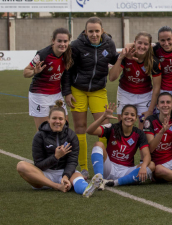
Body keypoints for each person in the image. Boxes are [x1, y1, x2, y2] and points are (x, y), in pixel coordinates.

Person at [62, 17, 119, 179]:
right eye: (90, 31)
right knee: (80, 128)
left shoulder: (109, 44)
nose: (94, 34)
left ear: (102, 31)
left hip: (98, 90)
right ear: (85, 31)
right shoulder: (76, 46)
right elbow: (67, 71)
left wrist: (125, 56)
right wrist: (67, 92)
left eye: (97, 31)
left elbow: (114, 59)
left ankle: (105, 165)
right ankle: (84, 168)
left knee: (105, 127)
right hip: (77, 90)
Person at [16, 101, 102, 198]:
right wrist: (56, 156)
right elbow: (39, 164)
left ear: (65, 120)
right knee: (21, 166)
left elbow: (72, 161)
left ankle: (86, 189)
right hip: (45, 174)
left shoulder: (71, 135)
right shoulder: (39, 136)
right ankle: (56, 186)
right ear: (48, 119)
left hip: (64, 172)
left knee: (78, 178)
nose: (57, 121)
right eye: (54, 118)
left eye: (60, 119)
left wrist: (65, 176)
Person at [86, 103, 155, 187]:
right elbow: (90, 131)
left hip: (126, 171)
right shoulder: (112, 127)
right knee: (98, 144)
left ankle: (114, 183)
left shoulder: (139, 134)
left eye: (132, 115)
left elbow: (146, 155)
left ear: (136, 118)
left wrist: (143, 166)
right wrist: (103, 117)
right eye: (126, 114)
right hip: (109, 167)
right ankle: (98, 178)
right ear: (121, 116)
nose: (129, 117)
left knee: (151, 165)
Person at [109, 32, 161, 129]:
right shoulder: (127, 56)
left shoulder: (153, 61)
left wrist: (150, 110)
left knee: (145, 127)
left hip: (145, 95)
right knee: (123, 127)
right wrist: (121, 57)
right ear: (134, 43)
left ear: (149, 46)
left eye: (145, 44)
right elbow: (112, 78)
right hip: (125, 93)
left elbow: (157, 88)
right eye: (139, 43)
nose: (142, 46)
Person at [24, 28, 73, 130]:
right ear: (53, 41)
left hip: (56, 94)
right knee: (44, 130)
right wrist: (34, 71)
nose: (62, 44)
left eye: (65, 41)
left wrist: (67, 92)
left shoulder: (68, 54)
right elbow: (25, 72)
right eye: (59, 41)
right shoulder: (43, 54)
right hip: (39, 95)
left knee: (64, 127)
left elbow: (66, 76)